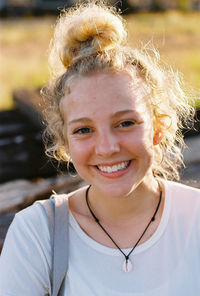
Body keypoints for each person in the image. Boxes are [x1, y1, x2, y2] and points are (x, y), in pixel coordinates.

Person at [0, 1, 200, 295]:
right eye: (84, 130)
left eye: (125, 123)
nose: (107, 147)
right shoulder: (38, 234)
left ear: (158, 127)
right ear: (66, 143)